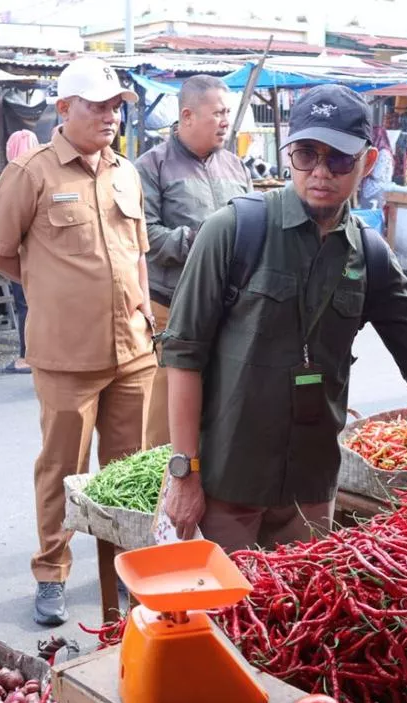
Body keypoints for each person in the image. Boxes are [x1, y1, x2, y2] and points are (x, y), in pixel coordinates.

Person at [161, 85, 407, 551]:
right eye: (307, 154)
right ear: (289, 155)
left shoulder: (370, 255)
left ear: (367, 163)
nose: (320, 172)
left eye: (339, 159)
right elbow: (184, 355)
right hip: (228, 483)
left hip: (310, 489)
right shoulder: (233, 230)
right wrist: (184, 471)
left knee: (299, 596)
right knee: (226, 598)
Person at [0, 56, 155, 626]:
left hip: (133, 351)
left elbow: (138, 254)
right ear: (63, 108)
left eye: (115, 107)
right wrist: (45, 286)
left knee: (130, 468)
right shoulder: (32, 173)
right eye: (97, 106)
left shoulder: (126, 173)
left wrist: (144, 313)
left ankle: (125, 564)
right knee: (63, 468)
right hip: (65, 354)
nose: (109, 116)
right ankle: (51, 573)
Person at [136, 75, 252, 448]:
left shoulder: (236, 166)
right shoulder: (151, 166)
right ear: (187, 116)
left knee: (224, 402)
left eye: (227, 113)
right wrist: (202, 241)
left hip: (229, 308)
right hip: (172, 306)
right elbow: (145, 236)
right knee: (166, 415)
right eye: (217, 113)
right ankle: (163, 479)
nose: (225, 122)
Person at [2, 130, 39, 374]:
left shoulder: (14, 176)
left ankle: (27, 356)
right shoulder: (47, 170)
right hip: (44, 258)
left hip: (22, 254)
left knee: (25, 305)